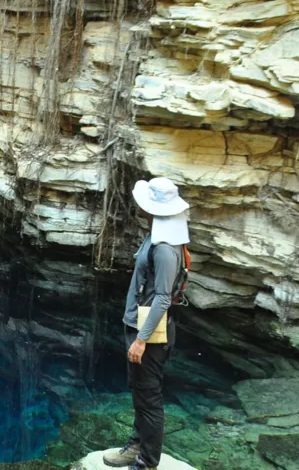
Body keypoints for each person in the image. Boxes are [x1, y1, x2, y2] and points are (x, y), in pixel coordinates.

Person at [102, 177, 191, 470]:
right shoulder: (158, 232)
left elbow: (163, 299)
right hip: (140, 326)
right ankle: (137, 444)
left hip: (150, 334)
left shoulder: (166, 247)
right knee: (140, 391)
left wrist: (141, 339)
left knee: (149, 398)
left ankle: (147, 462)